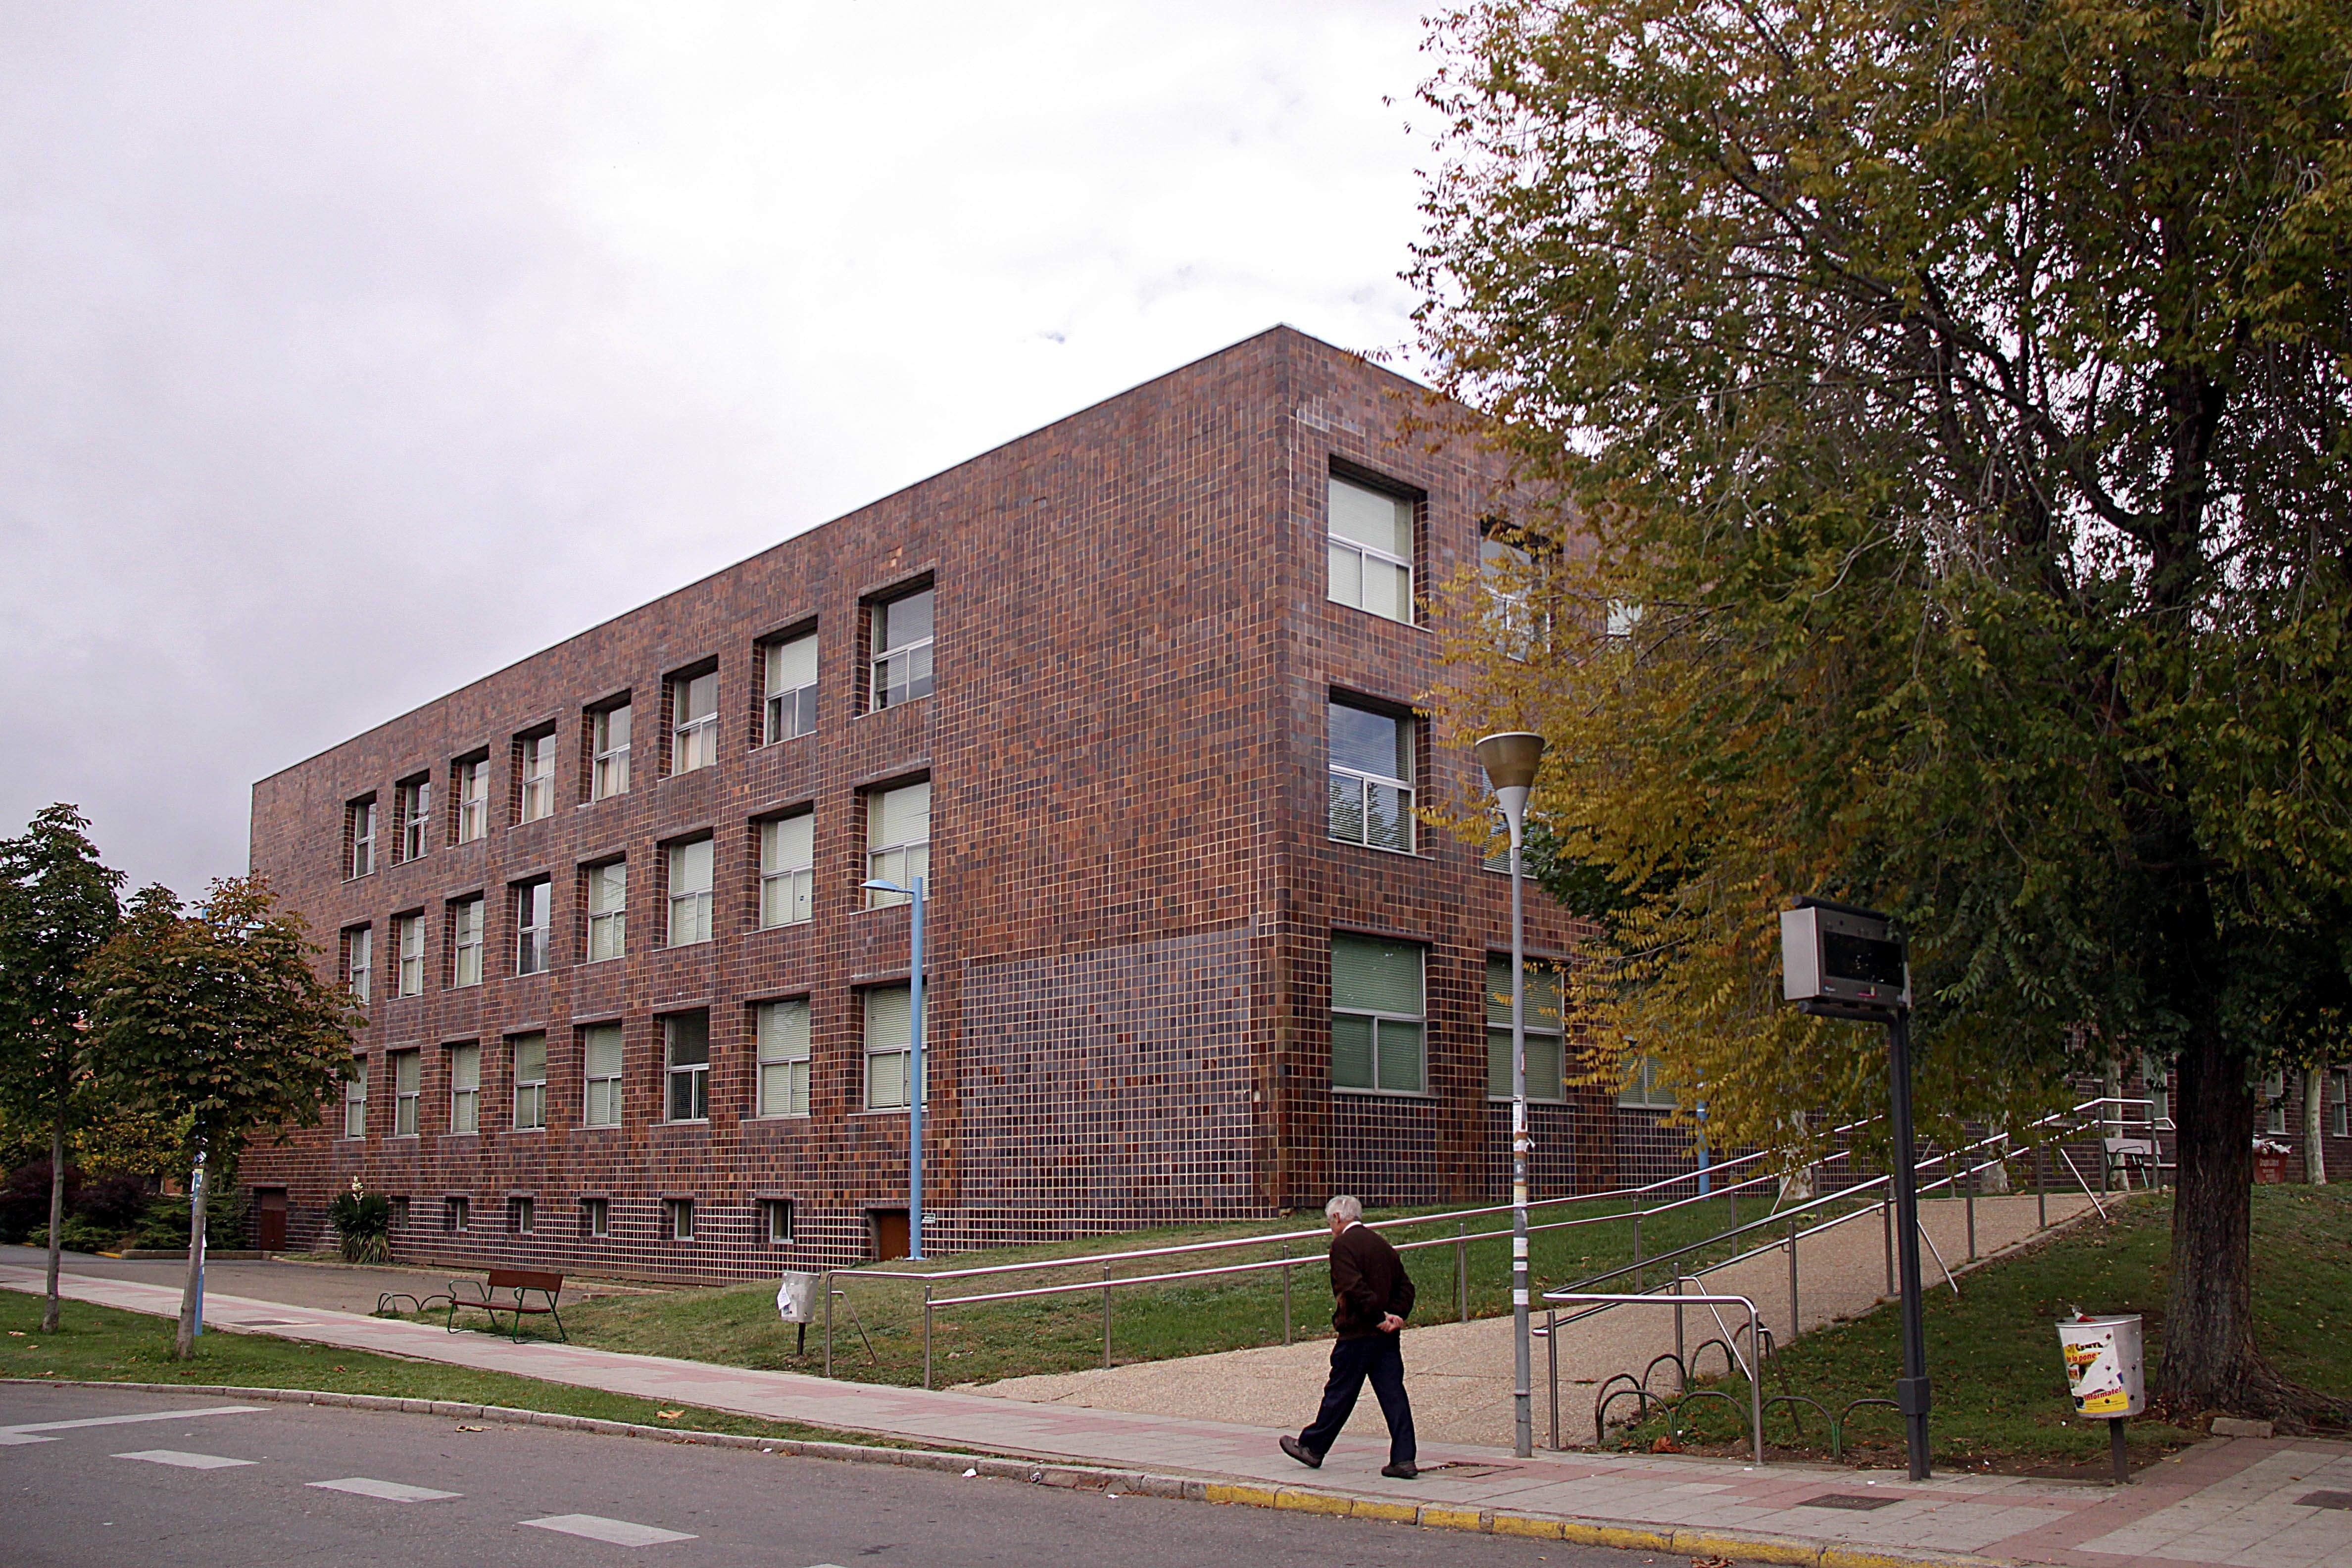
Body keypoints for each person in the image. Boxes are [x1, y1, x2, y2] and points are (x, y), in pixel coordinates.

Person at [1280, 1194, 1417, 1479]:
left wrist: (1379, 1317)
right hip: (1386, 1337)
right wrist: (1396, 1316)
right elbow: (1406, 1287)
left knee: (1340, 1392)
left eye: (1330, 1222)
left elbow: (1352, 1287)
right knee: (1394, 1395)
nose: (1330, 1227)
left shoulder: (1343, 1245)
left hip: (1358, 1332)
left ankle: (1312, 1447)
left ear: (1338, 1218)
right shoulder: (1381, 1244)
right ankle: (1404, 1458)